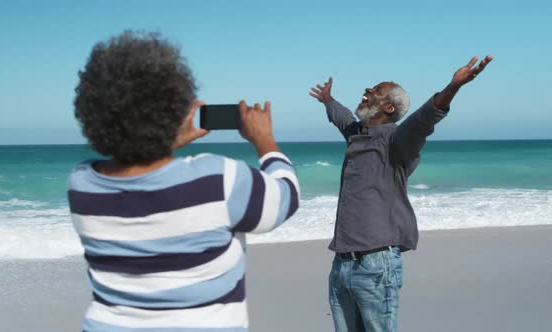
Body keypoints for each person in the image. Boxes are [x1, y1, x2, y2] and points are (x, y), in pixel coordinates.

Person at [68, 31, 300, 332]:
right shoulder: (218, 179)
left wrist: (163, 143)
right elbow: (285, 198)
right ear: (173, 105)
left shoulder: (82, 183)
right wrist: (264, 139)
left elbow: (142, 175)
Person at [309, 55, 494, 332]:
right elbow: (343, 119)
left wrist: (453, 86)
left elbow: (423, 120)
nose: (368, 90)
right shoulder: (357, 135)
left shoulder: (397, 140)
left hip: (375, 265)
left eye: (376, 91)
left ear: (389, 107)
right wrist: (328, 101)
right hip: (342, 263)